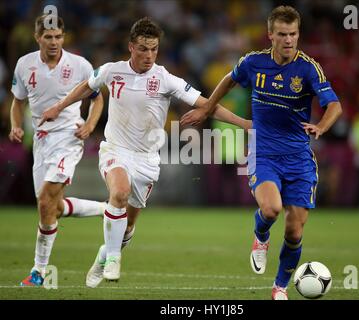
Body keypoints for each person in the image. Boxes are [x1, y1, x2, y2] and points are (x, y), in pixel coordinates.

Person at [39, 17, 251, 288]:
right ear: (131, 47)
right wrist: (59, 106)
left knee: (127, 226)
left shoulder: (165, 78)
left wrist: (243, 123)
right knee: (119, 193)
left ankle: (106, 253)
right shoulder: (111, 71)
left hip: (148, 159)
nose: (149, 55)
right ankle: (114, 258)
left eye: (154, 49)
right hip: (116, 149)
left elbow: (208, 103)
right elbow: (86, 87)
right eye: (143, 49)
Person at [181, 5, 342, 300]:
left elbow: (335, 105)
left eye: (293, 34)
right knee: (270, 209)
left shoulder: (308, 68)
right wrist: (206, 108)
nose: (289, 40)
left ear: (298, 34)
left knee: (295, 232)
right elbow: (229, 79)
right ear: (270, 35)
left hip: (299, 158)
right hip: (264, 151)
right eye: (282, 34)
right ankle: (261, 235)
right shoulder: (253, 63)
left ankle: (279, 287)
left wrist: (322, 126)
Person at [9, 14, 106, 287]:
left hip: (68, 136)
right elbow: (18, 102)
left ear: (64, 37)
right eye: (48, 37)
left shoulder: (79, 65)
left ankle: (38, 272)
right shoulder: (24, 65)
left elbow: (98, 99)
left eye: (58, 37)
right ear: (37, 38)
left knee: (45, 200)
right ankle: (106, 208)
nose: (54, 42)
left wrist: (89, 124)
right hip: (41, 140)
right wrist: (16, 125)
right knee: (51, 207)